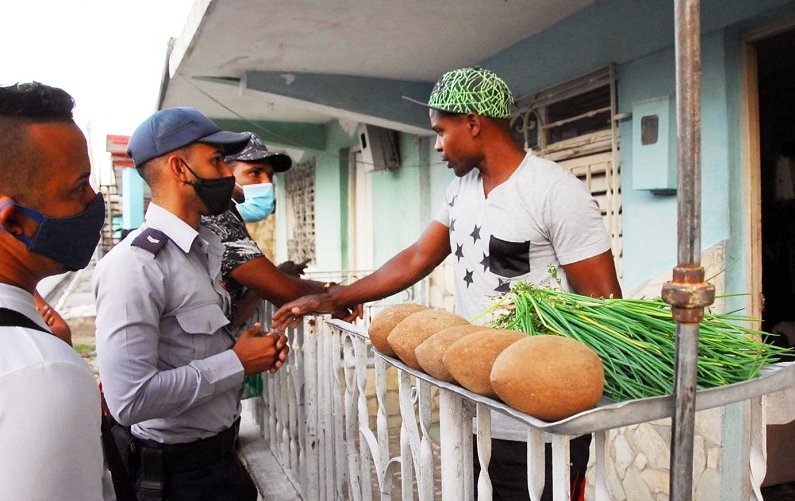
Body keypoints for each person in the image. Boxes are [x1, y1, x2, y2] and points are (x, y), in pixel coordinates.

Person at [272, 67, 622, 501]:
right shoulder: (461, 190)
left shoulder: (555, 191)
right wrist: (331, 298)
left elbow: (603, 304)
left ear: (473, 123)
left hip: (541, 419)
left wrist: (581, 390)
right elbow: (416, 259)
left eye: (441, 131)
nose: (437, 145)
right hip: (479, 407)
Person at [94, 107, 289, 501]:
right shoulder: (136, 266)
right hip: (178, 478)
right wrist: (237, 363)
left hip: (221, 461)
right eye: (216, 161)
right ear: (181, 169)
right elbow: (128, 400)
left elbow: (193, 346)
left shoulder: (204, 249)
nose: (226, 175)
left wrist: (249, 348)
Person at [0, 82, 106, 500]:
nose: (93, 200)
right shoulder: (41, 374)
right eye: (78, 187)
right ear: (13, 223)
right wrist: (45, 354)